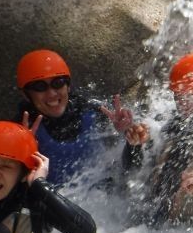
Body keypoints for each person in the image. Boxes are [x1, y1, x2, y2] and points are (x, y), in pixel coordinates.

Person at [15, 49, 148, 186]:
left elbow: (131, 175)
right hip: (56, 203)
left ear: (68, 86)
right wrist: (23, 158)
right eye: (40, 87)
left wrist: (131, 140)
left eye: (58, 82)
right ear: (26, 94)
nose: (52, 93)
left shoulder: (95, 112)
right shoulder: (21, 131)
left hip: (106, 193)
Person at [124, 52, 193, 230]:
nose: (182, 104)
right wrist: (134, 147)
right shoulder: (166, 123)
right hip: (149, 224)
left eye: (190, 97)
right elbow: (131, 173)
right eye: (179, 96)